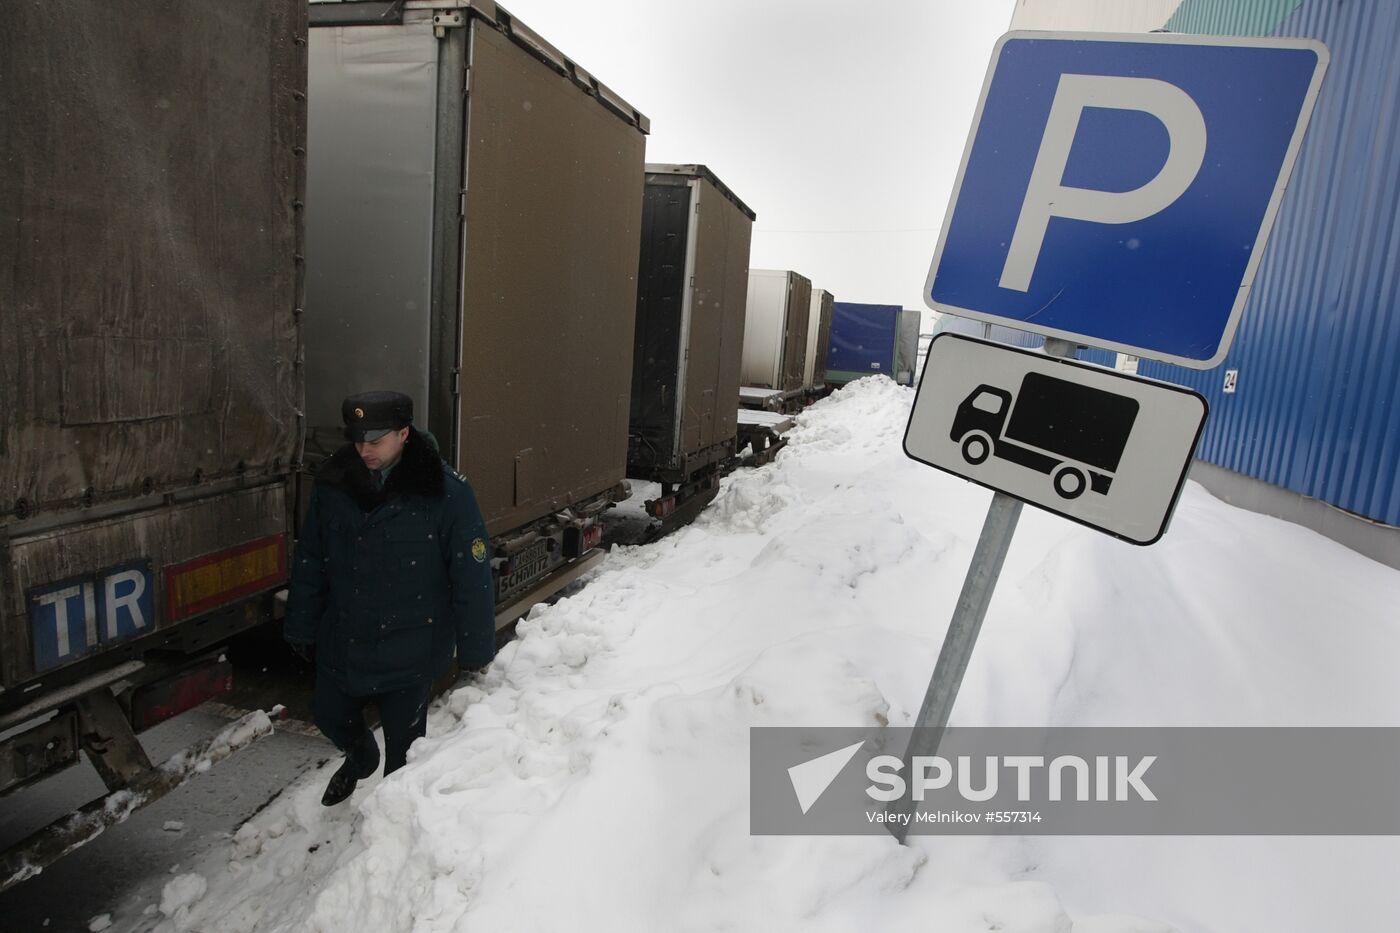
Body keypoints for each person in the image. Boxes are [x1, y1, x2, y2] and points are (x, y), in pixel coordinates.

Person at [284, 390, 496, 805]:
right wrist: (301, 624)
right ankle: (360, 758)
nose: (364, 450)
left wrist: (476, 648)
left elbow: (471, 576)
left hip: (411, 646)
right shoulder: (333, 483)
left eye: (376, 440)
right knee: (329, 715)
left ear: (403, 434)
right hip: (345, 638)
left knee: (403, 759)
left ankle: (385, 840)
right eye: (358, 439)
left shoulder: (445, 492)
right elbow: (312, 558)